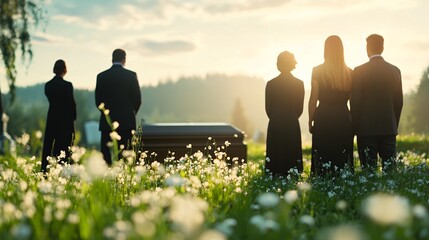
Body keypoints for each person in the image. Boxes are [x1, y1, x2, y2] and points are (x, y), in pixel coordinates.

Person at [351, 34, 403, 172]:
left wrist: (356, 128)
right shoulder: (395, 71)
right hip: (388, 129)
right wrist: (393, 124)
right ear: (383, 48)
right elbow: (399, 103)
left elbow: (355, 103)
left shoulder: (359, 71)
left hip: (365, 130)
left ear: (367, 48)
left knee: (369, 172)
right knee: (390, 171)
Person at [308, 35, 354, 176]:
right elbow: (353, 101)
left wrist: (311, 121)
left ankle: (321, 184)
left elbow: (313, 100)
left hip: (323, 116)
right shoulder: (350, 73)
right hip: (343, 117)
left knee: (323, 154)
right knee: (342, 155)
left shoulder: (317, 71)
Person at [95, 49, 141, 165]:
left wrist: (107, 114)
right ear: (124, 59)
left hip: (107, 124)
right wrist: (130, 113)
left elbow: (98, 101)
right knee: (126, 156)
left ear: (112, 59)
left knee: (107, 157)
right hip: (127, 123)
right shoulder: (131, 75)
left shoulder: (101, 76)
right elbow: (137, 99)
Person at [265, 51, 304, 176]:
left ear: (278, 64)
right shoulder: (299, 84)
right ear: (293, 63)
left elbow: (268, 108)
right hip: (292, 121)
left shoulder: (270, 84)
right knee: (291, 151)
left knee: (276, 151)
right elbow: (300, 108)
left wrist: (277, 116)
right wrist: (291, 116)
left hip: (275, 122)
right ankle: (293, 174)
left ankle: (274, 173)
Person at [42, 59, 76, 173]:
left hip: (52, 118)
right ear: (65, 70)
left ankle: (45, 171)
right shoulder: (67, 86)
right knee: (64, 147)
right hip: (65, 121)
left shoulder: (48, 86)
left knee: (48, 145)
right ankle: (62, 171)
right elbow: (72, 104)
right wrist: (73, 119)